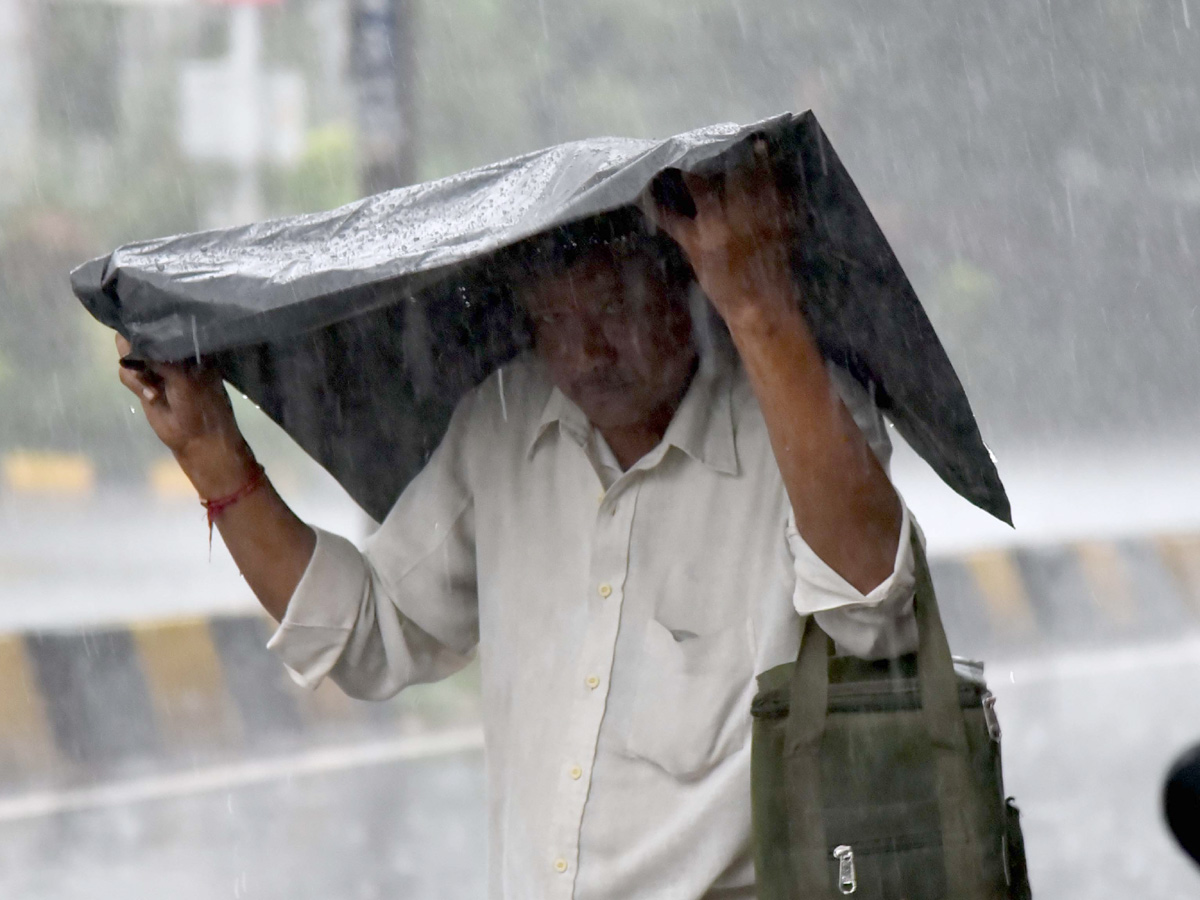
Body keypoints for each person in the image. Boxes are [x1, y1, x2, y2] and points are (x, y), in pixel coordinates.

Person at [116, 144, 920, 899]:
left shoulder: (802, 418)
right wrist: (209, 452)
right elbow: (368, 635)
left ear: (685, 294)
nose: (589, 351)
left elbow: (871, 603)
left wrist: (757, 304)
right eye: (557, 324)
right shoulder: (504, 424)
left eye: (613, 311)